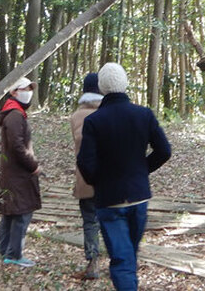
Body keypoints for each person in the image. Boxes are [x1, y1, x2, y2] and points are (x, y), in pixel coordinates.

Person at [76, 62, 171, 291]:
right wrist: (140, 170)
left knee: (122, 259)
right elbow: (164, 151)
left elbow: (85, 163)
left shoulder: (94, 121)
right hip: (139, 197)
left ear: (101, 87)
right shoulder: (143, 115)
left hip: (109, 200)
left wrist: (100, 181)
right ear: (125, 84)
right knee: (128, 257)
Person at [0, 76, 41, 268]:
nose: (28, 92)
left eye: (30, 88)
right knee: (21, 213)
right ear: (13, 92)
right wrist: (33, 165)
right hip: (17, 174)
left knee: (11, 213)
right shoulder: (14, 115)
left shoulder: (14, 113)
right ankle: (13, 254)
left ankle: (1, 251)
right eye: (24, 88)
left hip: (13, 172)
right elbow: (17, 147)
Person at [69, 72, 103, 279]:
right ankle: (123, 260)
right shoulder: (112, 113)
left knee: (90, 220)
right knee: (113, 218)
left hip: (85, 176)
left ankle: (93, 263)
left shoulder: (76, 116)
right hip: (111, 177)